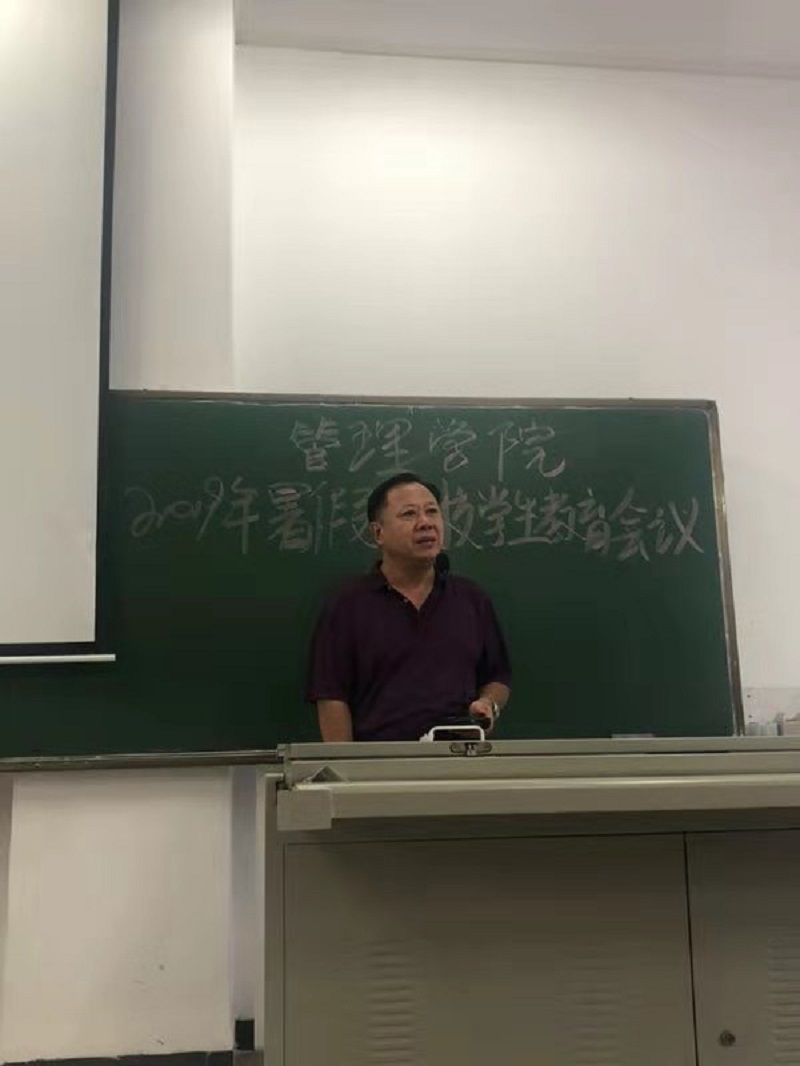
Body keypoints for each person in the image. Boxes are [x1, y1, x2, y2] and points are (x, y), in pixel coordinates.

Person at [306, 472, 511, 742]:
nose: (426, 523)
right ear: (378, 533)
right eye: (409, 514)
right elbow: (331, 696)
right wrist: (345, 763)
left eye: (432, 512)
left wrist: (488, 705)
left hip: (459, 757)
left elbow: (497, 676)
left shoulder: (471, 599)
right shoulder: (347, 605)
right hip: (380, 761)